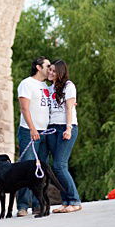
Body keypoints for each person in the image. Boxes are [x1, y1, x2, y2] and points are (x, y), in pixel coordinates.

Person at [15, 56, 52, 216]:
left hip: (45, 132)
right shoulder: (26, 84)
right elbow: (24, 108)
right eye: (47, 66)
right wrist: (32, 128)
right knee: (26, 168)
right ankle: (22, 206)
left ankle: (39, 204)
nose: (50, 69)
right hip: (30, 131)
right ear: (38, 67)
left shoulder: (46, 86)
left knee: (41, 170)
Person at [46, 59, 82, 212]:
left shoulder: (69, 86)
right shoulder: (50, 88)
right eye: (50, 70)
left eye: (54, 71)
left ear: (60, 72)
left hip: (66, 127)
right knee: (59, 167)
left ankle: (75, 200)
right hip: (52, 128)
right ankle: (66, 202)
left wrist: (68, 129)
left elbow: (69, 109)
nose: (51, 73)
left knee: (59, 165)